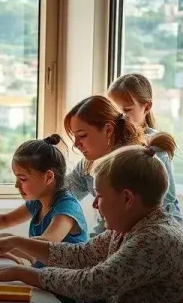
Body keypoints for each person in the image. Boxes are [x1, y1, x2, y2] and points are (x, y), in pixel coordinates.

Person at [0, 144, 183, 303]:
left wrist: (21, 273)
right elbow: (81, 255)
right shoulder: (127, 229)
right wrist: (16, 242)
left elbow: (92, 283)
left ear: (127, 199)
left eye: (99, 196)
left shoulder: (155, 239)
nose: (94, 204)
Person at [0, 135, 88, 266]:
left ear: (48, 178)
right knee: (3, 237)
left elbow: (48, 244)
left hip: (64, 286)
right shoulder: (38, 202)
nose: (16, 185)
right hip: (44, 274)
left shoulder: (67, 209)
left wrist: (11, 243)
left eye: (22, 179)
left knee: (5, 239)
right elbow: (5, 220)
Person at [64, 95, 181, 228]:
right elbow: (62, 193)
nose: (76, 144)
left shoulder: (147, 161)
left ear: (108, 130)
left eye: (82, 135)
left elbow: (165, 217)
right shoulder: (88, 164)